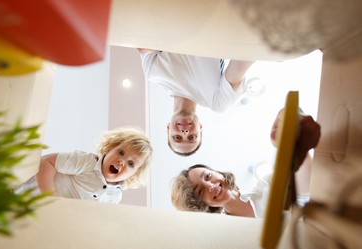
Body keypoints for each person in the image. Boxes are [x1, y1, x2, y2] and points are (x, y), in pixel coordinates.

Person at [171, 111, 321, 218]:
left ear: (219, 173)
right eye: (200, 191)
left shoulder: (267, 182)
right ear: (202, 205)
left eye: (208, 176)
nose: (210, 186)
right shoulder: (225, 233)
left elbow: (305, 194)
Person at [138, 48, 254, 156]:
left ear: (168, 128)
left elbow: (145, 39)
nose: (185, 132)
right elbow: (244, 58)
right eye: (192, 137)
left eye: (177, 137)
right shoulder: (218, 102)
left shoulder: (153, 74)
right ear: (200, 127)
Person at [20, 127, 153, 204]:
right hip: (30, 196)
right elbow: (46, 162)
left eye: (131, 163)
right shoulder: (87, 163)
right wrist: (51, 196)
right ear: (109, 148)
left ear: (134, 174)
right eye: (121, 152)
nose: (121, 161)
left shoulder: (115, 196)